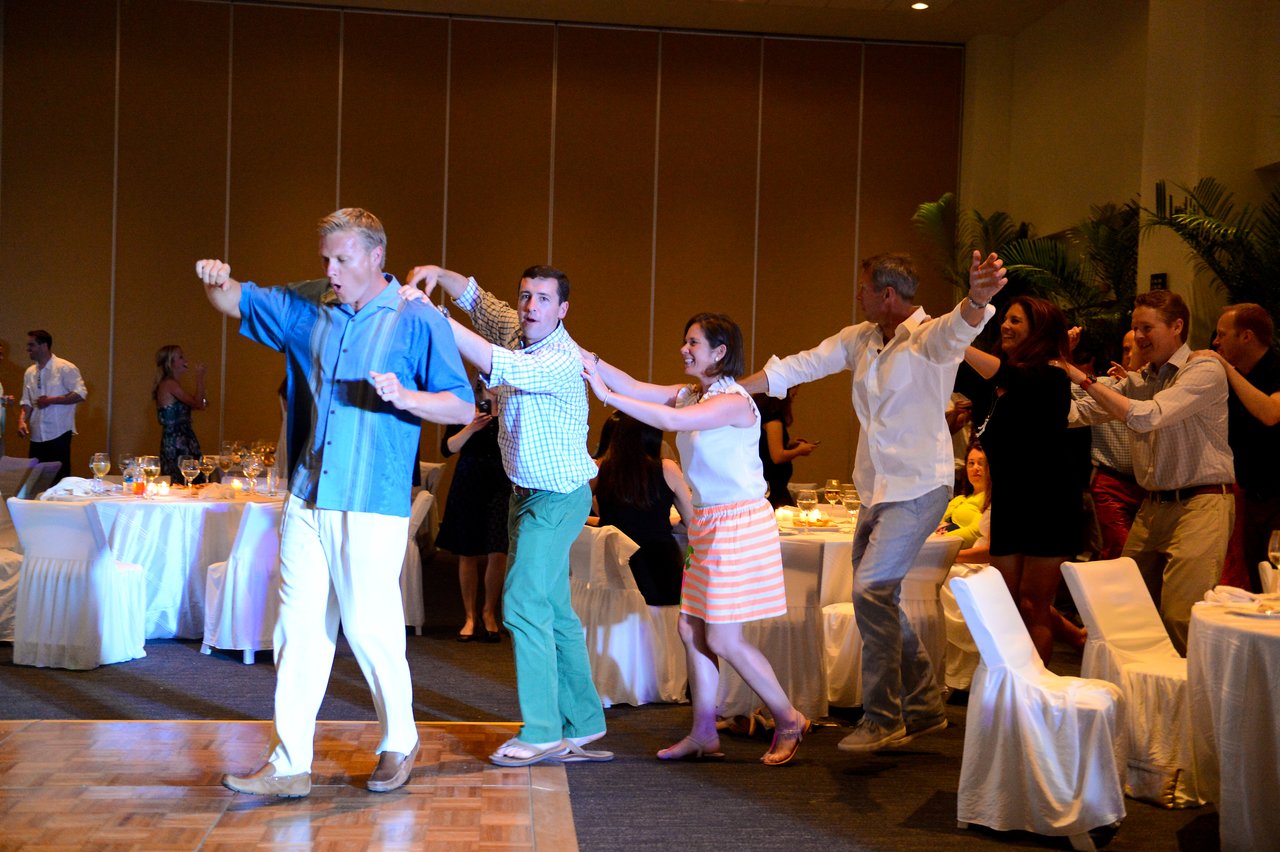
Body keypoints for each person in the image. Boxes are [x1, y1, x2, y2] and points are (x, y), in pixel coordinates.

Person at [193, 208, 474, 798]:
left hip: (371, 498)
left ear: (376, 256)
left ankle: (400, 739)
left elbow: (461, 407)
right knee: (297, 630)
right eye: (326, 258)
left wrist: (408, 396)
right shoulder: (307, 304)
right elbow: (235, 302)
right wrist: (218, 281)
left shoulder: (417, 318)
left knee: (371, 629)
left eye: (342, 259)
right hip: (307, 493)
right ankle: (290, 763)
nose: (331, 270)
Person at [740, 250, 1007, 753]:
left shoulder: (931, 338)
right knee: (877, 595)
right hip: (875, 488)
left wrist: (977, 298)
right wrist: (732, 390)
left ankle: (884, 717)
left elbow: (961, 325)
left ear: (887, 295)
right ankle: (925, 705)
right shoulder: (859, 338)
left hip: (920, 488)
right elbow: (800, 366)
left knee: (869, 589)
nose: (857, 296)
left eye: (863, 288)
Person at [403, 263, 611, 768]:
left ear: (562, 309)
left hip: (558, 498)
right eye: (526, 296)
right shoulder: (517, 327)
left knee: (519, 600)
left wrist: (431, 315)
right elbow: (477, 298)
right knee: (553, 612)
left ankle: (542, 732)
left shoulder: (561, 358)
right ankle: (584, 722)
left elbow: (494, 360)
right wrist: (437, 274)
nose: (531, 306)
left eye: (543, 299)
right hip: (525, 496)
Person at [584, 313, 810, 765]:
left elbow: (659, 414)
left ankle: (789, 718)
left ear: (719, 352)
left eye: (693, 343)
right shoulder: (693, 394)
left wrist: (605, 396)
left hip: (738, 524)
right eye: (684, 341)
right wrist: (582, 357)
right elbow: (631, 382)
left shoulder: (734, 401)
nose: (684, 350)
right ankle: (704, 731)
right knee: (690, 629)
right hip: (708, 525)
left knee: (724, 639)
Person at [1060, 290, 1233, 654]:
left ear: (1177, 326)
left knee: (1181, 617)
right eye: (1135, 327)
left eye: (1147, 327)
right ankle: (1142, 698)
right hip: (1152, 507)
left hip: (1200, 504)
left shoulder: (1204, 369)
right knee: (1124, 608)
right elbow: (1080, 413)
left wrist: (1083, 378)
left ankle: (1192, 705)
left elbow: (1147, 416)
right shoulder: (1144, 378)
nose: (1138, 336)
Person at [962, 295, 1078, 664]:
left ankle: (1035, 694)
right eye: (1006, 320)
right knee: (1004, 601)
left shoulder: (1051, 376)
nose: (1006, 327)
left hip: (1049, 503)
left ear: (1038, 331)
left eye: (1016, 321)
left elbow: (1008, 375)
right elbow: (958, 370)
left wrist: (956, 342)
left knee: (1033, 604)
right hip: (1010, 502)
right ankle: (1006, 686)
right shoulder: (993, 383)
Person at [1197, 303, 1280, 591]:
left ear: (1246, 336)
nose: (1216, 342)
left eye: (1222, 334)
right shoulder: (1226, 376)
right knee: (1256, 582)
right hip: (1247, 495)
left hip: (1276, 496)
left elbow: (1271, 413)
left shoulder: (1275, 368)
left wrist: (1227, 369)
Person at [436, 379, 511, 642]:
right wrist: (472, 426)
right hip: (469, 480)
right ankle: (469, 616)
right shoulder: (465, 408)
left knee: (498, 550)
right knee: (467, 551)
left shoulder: (512, 406)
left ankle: (489, 612)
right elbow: (447, 448)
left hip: (501, 482)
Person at [594, 412, 694, 606]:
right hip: (658, 568)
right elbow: (693, 522)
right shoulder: (667, 468)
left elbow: (602, 513)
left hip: (612, 567)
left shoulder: (600, 469)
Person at [1083, 330, 1147, 560]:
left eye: (1135, 347)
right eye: (1125, 349)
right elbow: (1067, 390)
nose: (1129, 355)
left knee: (1145, 555)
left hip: (1149, 488)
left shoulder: (1162, 389)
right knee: (1120, 551)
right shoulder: (1104, 386)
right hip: (1112, 482)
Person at [17, 330, 87, 484]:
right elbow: (27, 402)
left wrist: (51, 400)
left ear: (44, 346)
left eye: (31, 345)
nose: (28, 349)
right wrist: (22, 421)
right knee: (35, 482)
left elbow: (80, 394)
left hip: (58, 433)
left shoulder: (65, 368)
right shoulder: (29, 372)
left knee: (59, 481)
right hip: (36, 435)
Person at [152, 345, 207, 481]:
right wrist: (200, 378)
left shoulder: (170, 383)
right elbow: (197, 403)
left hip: (179, 438)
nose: (185, 360)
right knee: (184, 479)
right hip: (178, 441)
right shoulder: (170, 384)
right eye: (181, 357)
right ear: (171, 363)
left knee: (184, 479)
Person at [754, 390, 817, 508]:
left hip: (772, 485)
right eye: (795, 387)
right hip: (774, 488)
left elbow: (766, 448)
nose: (796, 392)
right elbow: (777, 456)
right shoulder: (773, 421)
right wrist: (799, 451)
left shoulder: (764, 416)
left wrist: (789, 446)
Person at [936, 441, 989, 552]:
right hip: (937, 544)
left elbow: (975, 532)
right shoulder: (959, 499)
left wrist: (939, 540)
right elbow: (935, 520)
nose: (975, 468)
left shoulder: (987, 500)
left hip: (956, 550)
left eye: (981, 463)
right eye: (971, 463)